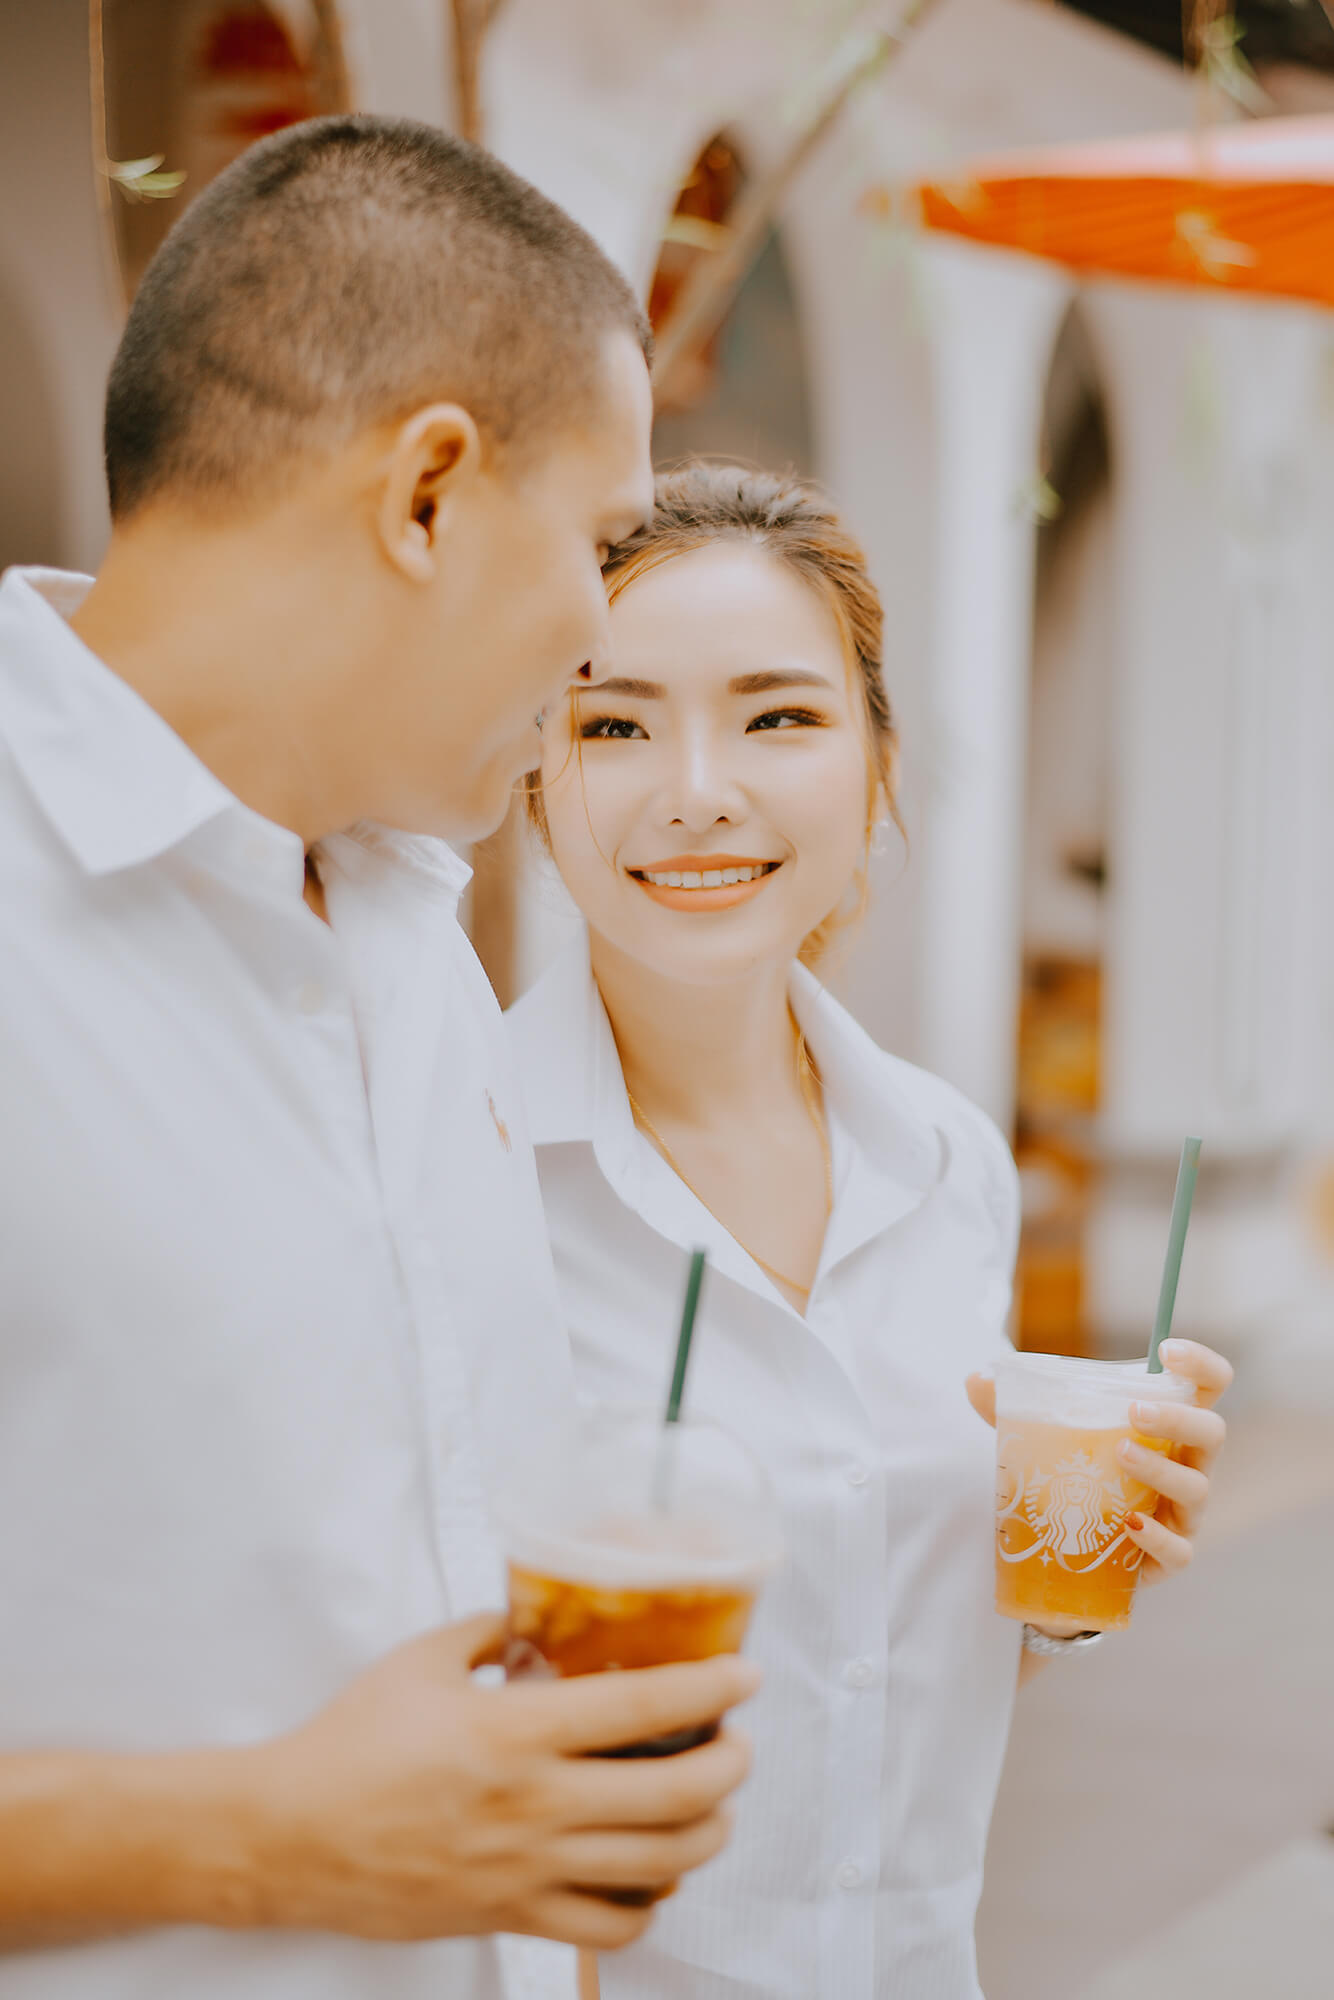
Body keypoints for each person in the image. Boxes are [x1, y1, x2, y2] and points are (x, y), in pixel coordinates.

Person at [0, 121, 760, 2000]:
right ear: (428, 492)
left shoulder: (414, 923)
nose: (605, 641)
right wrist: (274, 1846)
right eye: (602, 546)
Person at [507, 462, 1233, 2000]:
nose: (696, 786)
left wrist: (1070, 1566)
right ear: (533, 773)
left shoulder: (945, 1162)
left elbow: (879, 1663)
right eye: (614, 721)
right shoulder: (459, 1163)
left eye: (778, 716)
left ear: (876, 768)